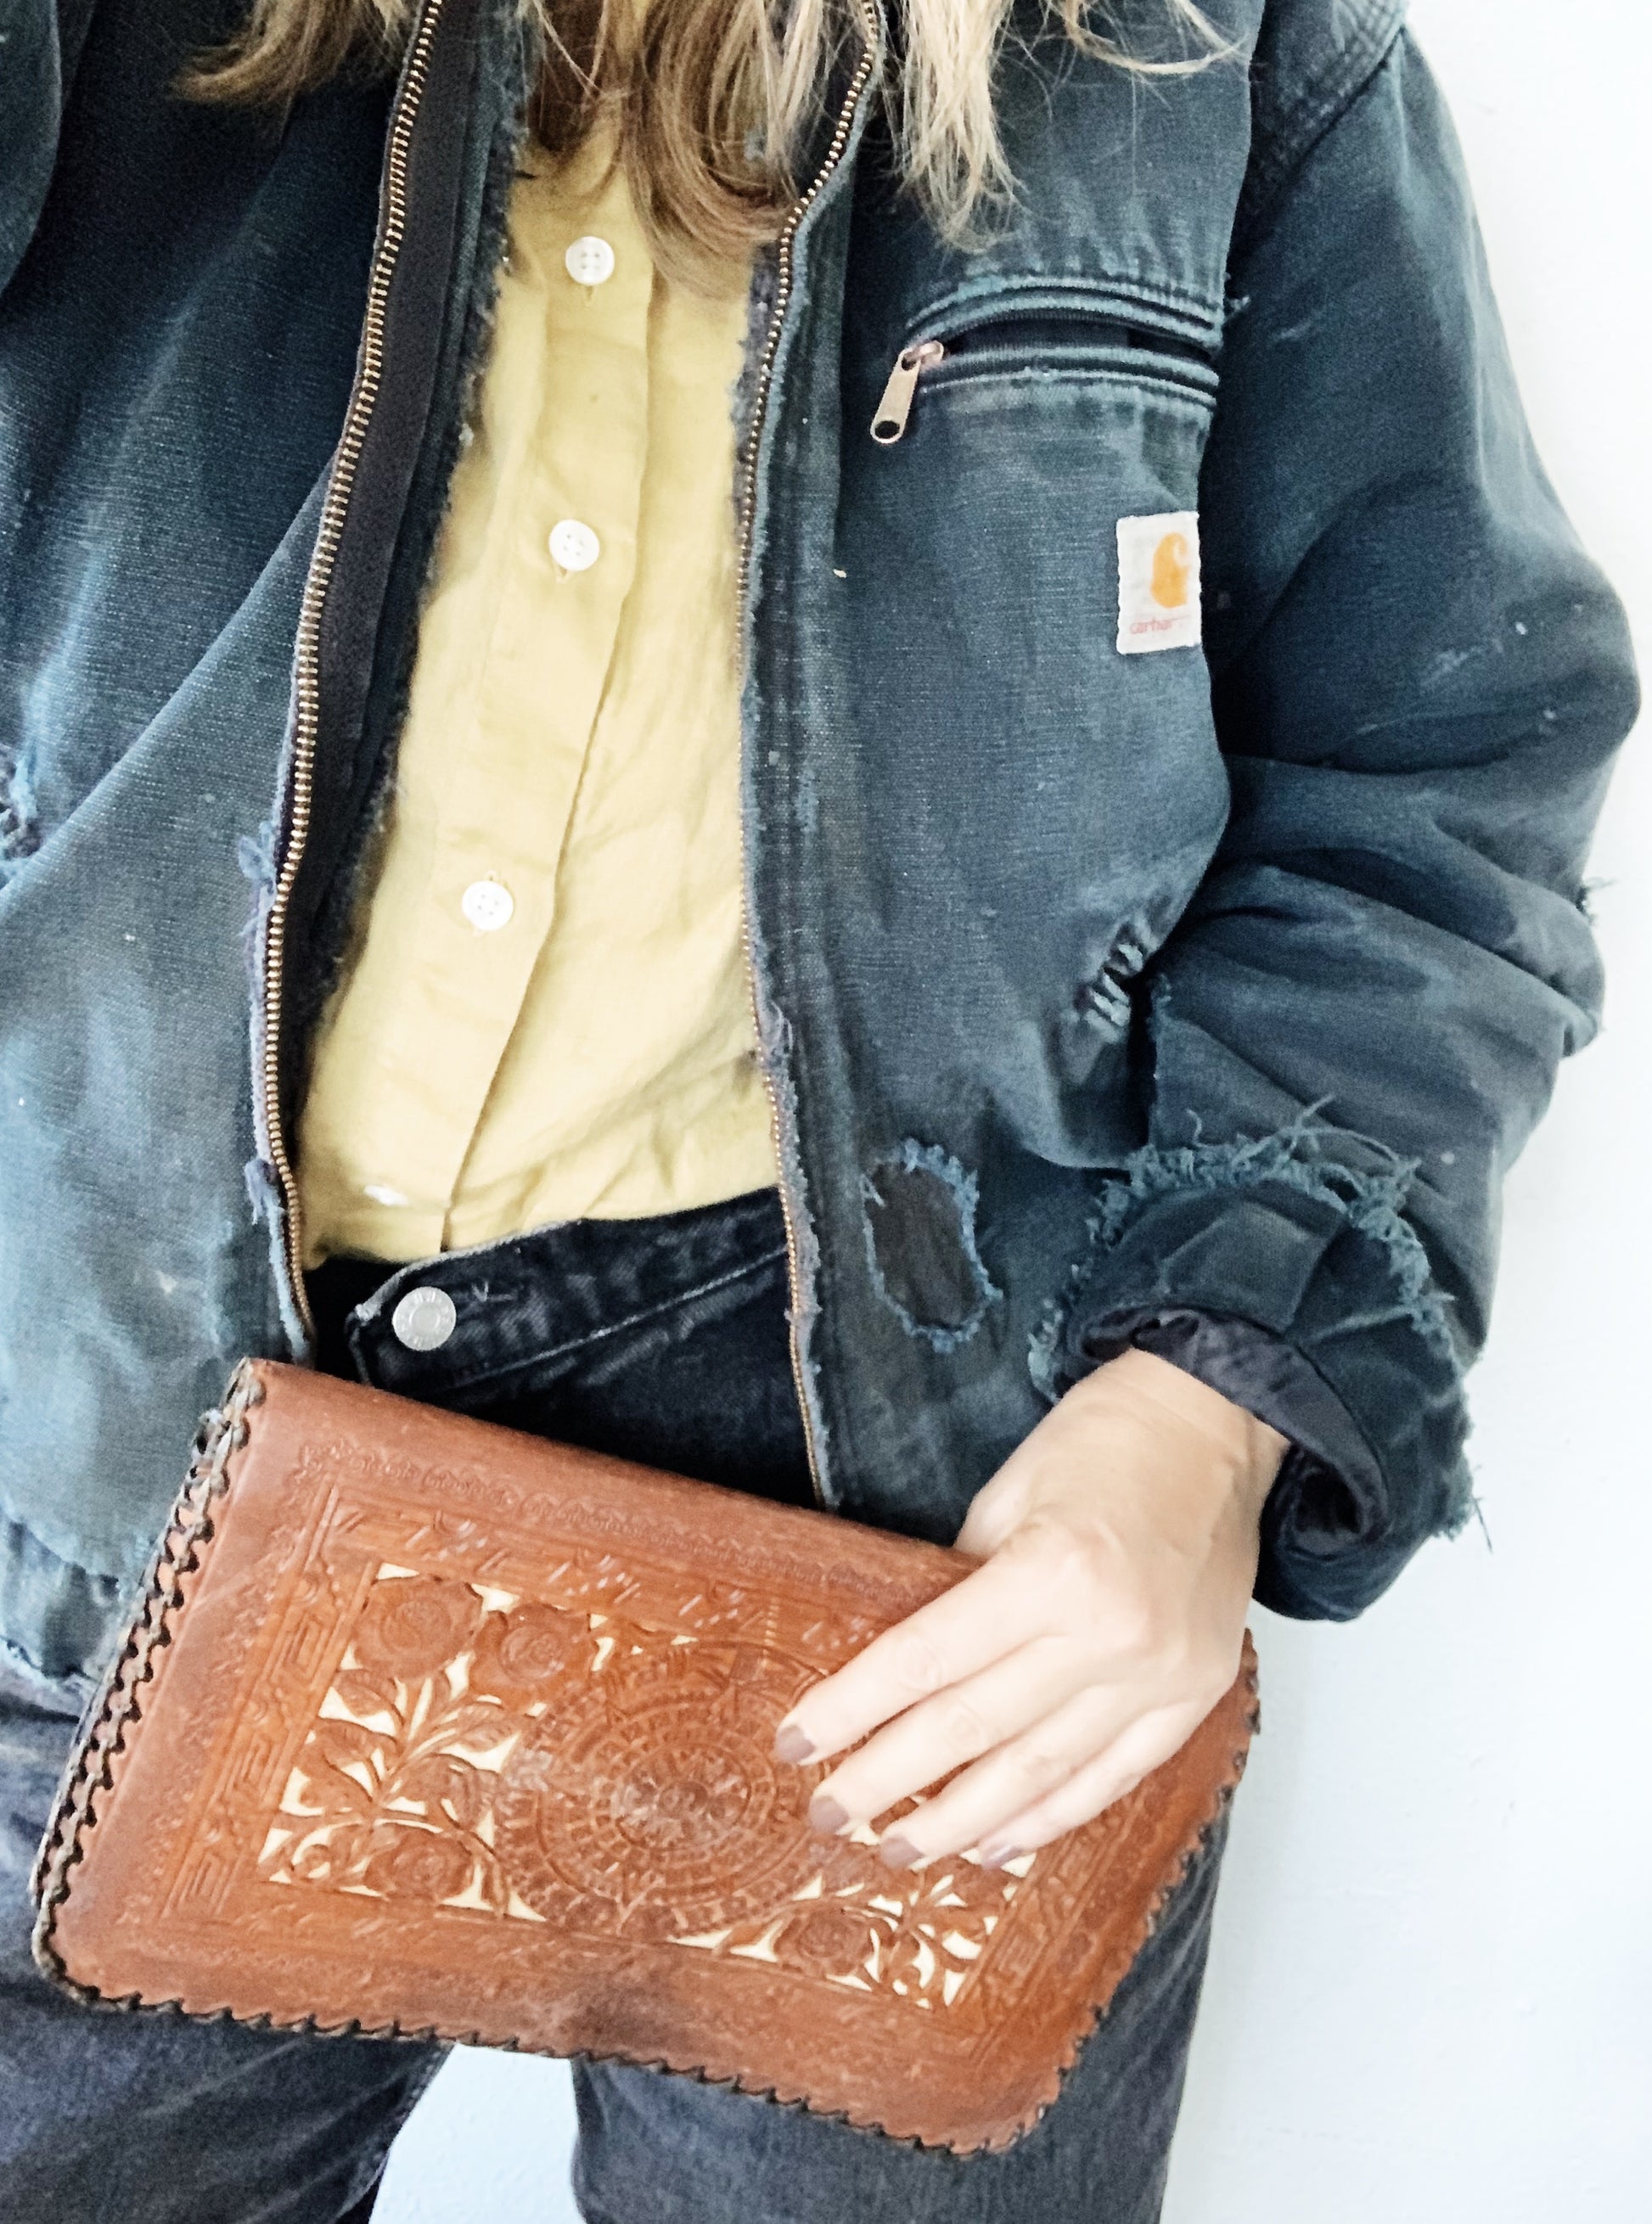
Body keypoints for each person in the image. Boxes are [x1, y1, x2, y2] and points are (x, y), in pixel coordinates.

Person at [0, 0, 1637, 2216]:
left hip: (925, 1534)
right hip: (99, 1444)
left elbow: (1425, 781)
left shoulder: (1212, 52)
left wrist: (1204, 1404)